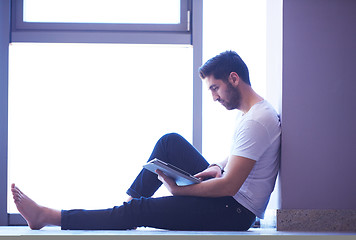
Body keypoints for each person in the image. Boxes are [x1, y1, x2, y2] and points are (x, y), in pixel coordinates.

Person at [11, 50, 281, 231]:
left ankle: (48, 216)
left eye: (215, 88)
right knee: (169, 142)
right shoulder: (251, 114)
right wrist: (216, 165)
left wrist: (180, 191)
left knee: (139, 210)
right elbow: (235, 162)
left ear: (233, 79)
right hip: (229, 199)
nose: (214, 97)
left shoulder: (257, 120)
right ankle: (126, 209)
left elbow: (230, 185)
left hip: (233, 212)